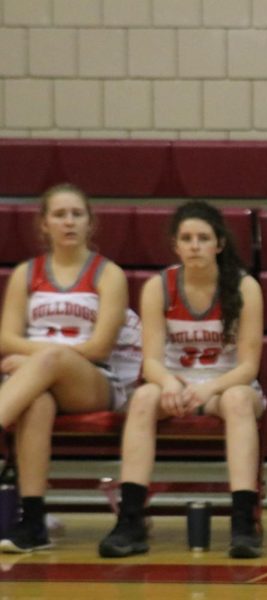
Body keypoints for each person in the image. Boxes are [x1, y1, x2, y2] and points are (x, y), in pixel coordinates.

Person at [98, 200, 265, 559]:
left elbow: (248, 367)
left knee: (237, 401)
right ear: (175, 245)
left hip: (227, 386)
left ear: (219, 243)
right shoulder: (159, 287)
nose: (195, 245)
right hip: (175, 384)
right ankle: (130, 520)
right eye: (186, 238)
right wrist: (171, 383)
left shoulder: (245, 286)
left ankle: (242, 522)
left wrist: (207, 388)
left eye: (203, 238)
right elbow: (152, 361)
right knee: (142, 399)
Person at [0, 184, 133, 553]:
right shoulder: (26, 274)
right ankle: (32, 521)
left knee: (51, 360)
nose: (69, 222)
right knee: (37, 402)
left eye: (77, 214)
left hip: (93, 381)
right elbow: (5, 339)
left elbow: (98, 347)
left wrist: (38, 358)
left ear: (91, 223)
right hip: (35, 382)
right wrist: (39, 361)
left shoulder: (108, 274)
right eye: (59, 215)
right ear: (44, 224)